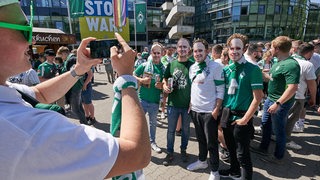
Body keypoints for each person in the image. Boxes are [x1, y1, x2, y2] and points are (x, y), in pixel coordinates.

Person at [0, 1, 150, 179]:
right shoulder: (28, 130)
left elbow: (39, 94)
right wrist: (126, 78)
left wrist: (79, 69)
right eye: (25, 29)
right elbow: (136, 155)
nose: (31, 39)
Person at [219, 33, 264, 180]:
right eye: (231, 48)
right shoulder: (225, 70)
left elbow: (258, 98)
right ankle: (234, 171)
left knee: (242, 154)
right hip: (226, 115)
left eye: (238, 48)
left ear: (244, 48)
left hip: (242, 117)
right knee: (230, 148)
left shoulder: (253, 69)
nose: (234, 51)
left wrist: (245, 119)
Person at [252, 36, 300, 164]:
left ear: (277, 48)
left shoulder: (291, 65)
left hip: (279, 103)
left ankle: (278, 157)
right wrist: (261, 73)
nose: (270, 49)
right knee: (266, 125)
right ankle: (263, 148)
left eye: (272, 47)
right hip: (271, 100)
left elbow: (293, 87)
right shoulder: (279, 61)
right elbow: (272, 78)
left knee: (279, 131)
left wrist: (278, 103)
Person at [187, 39, 224, 180]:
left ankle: (215, 171)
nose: (197, 53)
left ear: (207, 51)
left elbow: (221, 90)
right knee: (201, 140)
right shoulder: (192, 67)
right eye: (195, 51)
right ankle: (202, 161)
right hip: (195, 111)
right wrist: (191, 104)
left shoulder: (216, 67)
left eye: (200, 50)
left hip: (209, 112)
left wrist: (216, 109)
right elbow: (194, 87)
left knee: (211, 143)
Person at [162, 38, 194, 166]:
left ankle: (183, 150)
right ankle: (169, 152)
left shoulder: (193, 65)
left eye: (185, 47)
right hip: (173, 104)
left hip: (187, 105)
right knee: (170, 130)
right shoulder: (172, 64)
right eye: (180, 47)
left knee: (186, 130)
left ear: (189, 49)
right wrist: (164, 86)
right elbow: (165, 78)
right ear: (177, 48)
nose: (182, 49)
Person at [134, 42, 165, 154]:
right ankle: (139, 143)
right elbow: (132, 75)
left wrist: (161, 85)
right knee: (139, 123)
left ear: (161, 54)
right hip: (142, 99)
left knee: (153, 124)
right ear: (151, 53)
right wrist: (141, 80)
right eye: (154, 52)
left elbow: (165, 85)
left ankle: (152, 142)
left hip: (155, 102)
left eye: (158, 53)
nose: (156, 55)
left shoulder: (163, 68)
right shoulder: (144, 65)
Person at [285, 42, 316, 150]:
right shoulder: (307, 64)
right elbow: (312, 85)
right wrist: (313, 98)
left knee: (281, 118)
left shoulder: (287, 60)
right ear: (310, 52)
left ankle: (276, 135)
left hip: (283, 94)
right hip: (297, 96)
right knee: (291, 120)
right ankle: (286, 140)